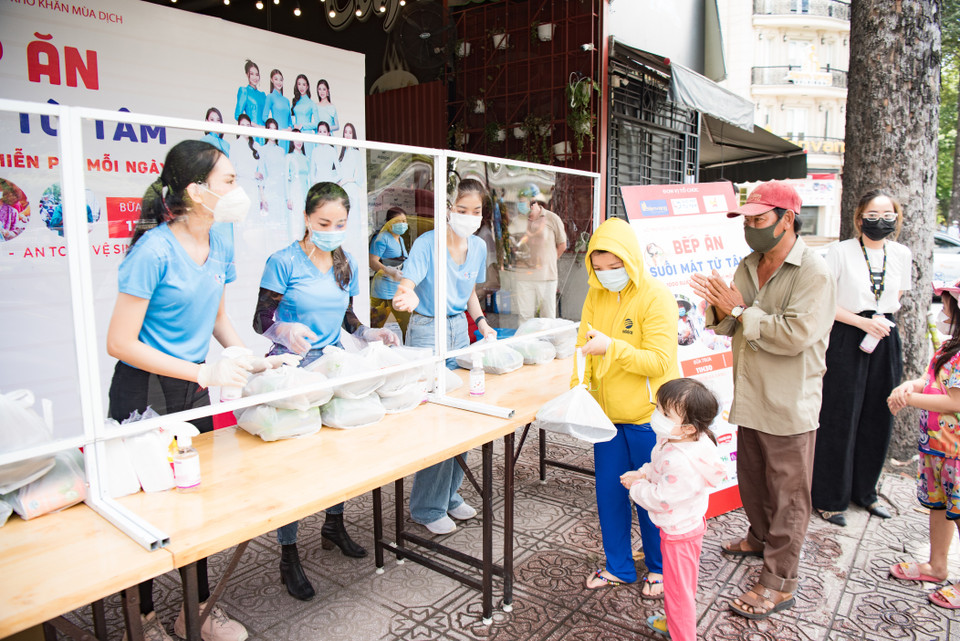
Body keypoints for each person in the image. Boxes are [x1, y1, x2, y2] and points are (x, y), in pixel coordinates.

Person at [106, 139, 297, 641]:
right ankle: (142, 617)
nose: (239, 191)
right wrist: (202, 374)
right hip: (144, 390)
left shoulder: (222, 239)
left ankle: (197, 611)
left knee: (199, 497)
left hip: (192, 382)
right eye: (229, 181)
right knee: (151, 505)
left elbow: (215, 314)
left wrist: (245, 357)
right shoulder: (153, 250)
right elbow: (119, 342)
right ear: (196, 190)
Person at [691, 180, 835, 620]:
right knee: (752, 478)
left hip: (790, 402)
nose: (750, 228)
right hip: (750, 393)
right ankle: (758, 538)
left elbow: (794, 336)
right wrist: (717, 309)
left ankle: (779, 581)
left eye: (758, 220)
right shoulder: (748, 265)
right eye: (746, 220)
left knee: (789, 495)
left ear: (787, 219)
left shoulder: (813, 272)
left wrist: (737, 311)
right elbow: (735, 326)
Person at [253, 181, 398, 601]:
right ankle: (288, 553)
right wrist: (284, 327)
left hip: (333, 364)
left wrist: (370, 332)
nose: (332, 229)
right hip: (293, 368)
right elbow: (260, 319)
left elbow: (347, 316)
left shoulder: (345, 262)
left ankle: (333, 523)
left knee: (339, 453)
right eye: (323, 222)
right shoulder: (282, 262)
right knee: (296, 465)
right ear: (306, 218)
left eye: (340, 223)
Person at [575, 216, 679, 598]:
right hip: (606, 419)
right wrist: (579, 388)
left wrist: (612, 348)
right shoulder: (595, 293)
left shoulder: (656, 296)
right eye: (599, 268)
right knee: (610, 495)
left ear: (631, 261)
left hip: (647, 419)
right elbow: (581, 348)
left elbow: (659, 360)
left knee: (650, 497)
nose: (606, 275)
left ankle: (659, 567)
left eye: (615, 267)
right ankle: (618, 565)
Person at [392, 178, 497, 534]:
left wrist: (481, 323)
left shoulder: (479, 248)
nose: (469, 217)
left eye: (477, 211)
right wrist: (404, 297)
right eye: (462, 210)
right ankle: (426, 506)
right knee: (437, 420)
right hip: (426, 330)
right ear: (449, 209)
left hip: (458, 330)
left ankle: (449, 495)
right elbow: (407, 285)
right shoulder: (428, 243)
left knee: (463, 413)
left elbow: (468, 292)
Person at [812, 190, 911, 526]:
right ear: (859, 218)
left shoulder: (901, 253)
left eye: (888, 214)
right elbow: (825, 301)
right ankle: (829, 497)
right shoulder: (839, 252)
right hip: (848, 334)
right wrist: (861, 321)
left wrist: (878, 323)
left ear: (896, 218)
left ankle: (864, 492)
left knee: (877, 416)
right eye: (873, 213)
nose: (880, 220)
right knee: (839, 417)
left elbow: (895, 297)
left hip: (884, 336)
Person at [620, 378, 726, 641]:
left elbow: (661, 497)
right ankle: (675, 623)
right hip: (683, 526)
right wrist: (643, 474)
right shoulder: (681, 440)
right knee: (680, 586)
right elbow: (657, 467)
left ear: (689, 427)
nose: (658, 416)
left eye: (666, 414)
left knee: (679, 592)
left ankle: (682, 634)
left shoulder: (681, 460)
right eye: (658, 408)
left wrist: (635, 488)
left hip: (679, 534)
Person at [887, 279, 960, 610]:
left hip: (956, 453)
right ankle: (936, 565)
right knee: (939, 507)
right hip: (935, 447)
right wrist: (909, 386)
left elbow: (954, 402)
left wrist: (909, 399)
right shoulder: (949, 348)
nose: (942, 306)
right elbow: (932, 381)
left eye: (946, 301)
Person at [514, 183, 567, 324]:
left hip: (546, 277)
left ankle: (548, 345)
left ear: (533, 202)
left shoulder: (551, 218)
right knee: (524, 317)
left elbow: (562, 245)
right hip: (524, 277)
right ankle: (526, 345)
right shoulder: (519, 220)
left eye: (522, 202)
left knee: (547, 318)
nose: (520, 206)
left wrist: (549, 261)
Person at [369, 207, 410, 337]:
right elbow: (372, 261)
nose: (402, 224)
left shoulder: (401, 239)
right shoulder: (382, 238)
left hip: (397, 287)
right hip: (383, 288)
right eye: (398, 221)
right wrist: (389, 272)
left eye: (404, 221)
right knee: (376, 326)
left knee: (406, 325)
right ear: (388, 222)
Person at [228, 114, 263, 219]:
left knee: (254, 219)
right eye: (243, 125)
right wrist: (252, 174)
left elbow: (260, 169)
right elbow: (233, 169)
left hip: (254, 188)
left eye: (248, 125)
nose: (246, 128)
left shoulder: (256, 146)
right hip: (241, 186)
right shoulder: (235, 145)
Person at [258, 119, 287, 224]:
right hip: (269, 189)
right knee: (270, 222)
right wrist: (262, 196)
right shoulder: (262, 149)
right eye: (270, 129)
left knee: (281, 222)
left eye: (275, 129)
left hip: (281, 190)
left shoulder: (281, 150)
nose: (273, 131)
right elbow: (261, 172)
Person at [233, 60, 265, 144]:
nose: (255, 77)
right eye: (252, 74)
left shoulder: (263, 95)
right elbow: (237, 115)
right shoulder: (244, 91)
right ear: (247, 74)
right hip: (251, 132)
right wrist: (255, 125)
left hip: (263, 132)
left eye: (257, 74)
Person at [285, 130, 309, 239]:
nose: (299, 142)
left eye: (300, 139)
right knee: (294, 222)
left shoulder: (306, 158)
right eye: (296, 138)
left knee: (304, 221)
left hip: (305, 193)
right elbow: (286, 178)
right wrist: (288, 198)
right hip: (294, 192)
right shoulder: (289, 157)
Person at [291, 74, 319, 156]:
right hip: (296, 135)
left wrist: (303, 125)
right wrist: (294, 125)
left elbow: (317, 123)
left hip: (307, 135)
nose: (301, 87)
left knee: (308, 158)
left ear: (307, 86)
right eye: (299, 84)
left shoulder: (311, 103)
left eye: (304, 84)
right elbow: (291, 119)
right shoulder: (294, 102)